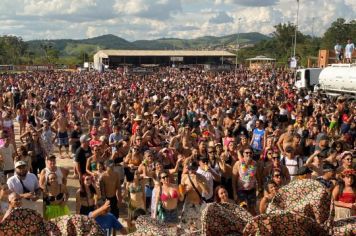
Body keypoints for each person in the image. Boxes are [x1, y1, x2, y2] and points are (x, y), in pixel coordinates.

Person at [232, 147, 260, 215]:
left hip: (252, 190)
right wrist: (234, 192)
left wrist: (259, 188)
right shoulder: (238, 164)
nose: (249, 154)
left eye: (250, 153)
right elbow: (234, 180)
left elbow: (258, 176)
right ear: (243, 154)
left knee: (252, 209)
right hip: (241, 190)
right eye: (246, 153)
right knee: (243, 208)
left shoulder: (254, 163)